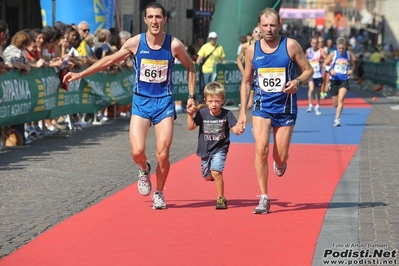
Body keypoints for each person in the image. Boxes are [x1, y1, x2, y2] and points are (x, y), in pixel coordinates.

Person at [63, 2, 197, 210]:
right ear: (145, 20)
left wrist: (191, 96)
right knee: (137, 152)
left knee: (163, 154)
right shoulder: (136, 43)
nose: (154, 21)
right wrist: (80, 74)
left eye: (158, 17)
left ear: (164, 20)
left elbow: (191, 67)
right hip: (141, 103)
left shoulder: (173, 45)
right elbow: (108, 61)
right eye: (150, 17)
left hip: (164, 103)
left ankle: (159, 193)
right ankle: (144, 170)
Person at [237, 8, 313, 214]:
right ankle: (264, 197)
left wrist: (297, 81)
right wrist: (243, 111)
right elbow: (246, 82)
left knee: (279, 156)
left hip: (286, 108)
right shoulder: (252, 50)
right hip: (262, 107)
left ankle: (281, 161)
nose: (269, 29)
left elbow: (309, 70)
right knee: (261, 149)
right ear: (259, 27)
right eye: (265, 25)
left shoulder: (290, 45)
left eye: (272, 25)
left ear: (278, 25)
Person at [187, 82, 243, 209]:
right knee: (207, 176)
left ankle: (221, 198)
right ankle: (211, 175)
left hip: (220, 148)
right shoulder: (202, 113)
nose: (214, 104)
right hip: (205, 149)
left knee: (217, 171)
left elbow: (236, 130)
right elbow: (191, 127)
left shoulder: (227, 114)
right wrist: (190, 115)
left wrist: (239, 128)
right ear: (206, 100)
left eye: (217, 101)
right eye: (211, 101)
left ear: (223, 100)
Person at [322, 37, 356, 127]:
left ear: (345, 47)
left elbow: (353, 64)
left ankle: (337, 119)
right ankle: (338, 110)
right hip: (334, 80)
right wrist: (330, 70)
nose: (341, 50)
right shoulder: (333, 54)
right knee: (335, 103)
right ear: (337, 47)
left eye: (343, 48)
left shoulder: (349, 54)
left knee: (341, 99)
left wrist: (351, 70)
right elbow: (324, 64)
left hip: (344, 79)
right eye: (339, 48)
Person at [236, 26, 262, 109]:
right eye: (256, 32)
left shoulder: (266, 45)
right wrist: (243, 72)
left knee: (262, 104)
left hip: (262, 76)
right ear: (253, 34)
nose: (258, 34)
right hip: (250, 76)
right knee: (249, 104)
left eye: (260, 32)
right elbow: (239, 60)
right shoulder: (246, 46)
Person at [196, 32, 226, 101]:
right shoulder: (205, 47)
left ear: (216, 39)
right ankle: (206, 100)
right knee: (207, 86)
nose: (213, 40)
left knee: (215, 87)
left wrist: (224, 66)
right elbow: (199, 59)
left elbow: (222, 60)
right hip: (206, 70)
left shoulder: (220, 47)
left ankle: (214, 99)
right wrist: (197, 67)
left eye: (214, 38)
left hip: (215, 71)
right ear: (209, 39)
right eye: (211, 38)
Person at [305, 36, 327, 115]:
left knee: (318, 91)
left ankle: (317, 105)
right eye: (313, 43)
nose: (314, 45)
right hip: (311, 74)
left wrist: (320, 60)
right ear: (311, 43)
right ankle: (310, 104)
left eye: (316, 43)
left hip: (318, 74)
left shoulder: (321, 51)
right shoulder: (308, 51)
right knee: (311, 89)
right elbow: (304, 60)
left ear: (318, 44)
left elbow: (327, 59)